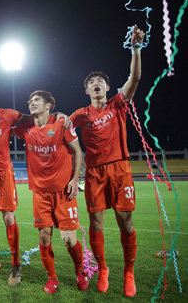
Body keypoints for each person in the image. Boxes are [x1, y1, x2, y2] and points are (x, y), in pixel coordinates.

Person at [0, 81, 70, 284]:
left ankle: (15, 264)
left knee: (9, 217)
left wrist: (57, 115)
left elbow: (32, 118)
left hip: (3, 173)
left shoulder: (7, 114)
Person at [70, 25, 145, 297]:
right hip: (95, 174)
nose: (96, 84)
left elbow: (134, 78)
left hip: (121, 169)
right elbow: (61, 128)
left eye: (100, 81)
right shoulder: (81, 114)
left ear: (107, 87)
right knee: (96, 224)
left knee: (126, 222)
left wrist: (135, 49)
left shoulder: (117, 104)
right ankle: (103, 269)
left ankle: (128, 272)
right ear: (87, 89)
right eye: (92, 82)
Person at [13, 90, 87, 293]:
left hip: (64, 191)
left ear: (48, 106)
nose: (31, 103)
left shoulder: (61, 123)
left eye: (36, 100)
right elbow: (5, 129)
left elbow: (77, 150)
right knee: (44, 237)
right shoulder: (26, 128)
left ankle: (80, 271)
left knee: (68, 239)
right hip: (40, 192)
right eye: (29, 101)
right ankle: (52, 278)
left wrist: (75, 178)